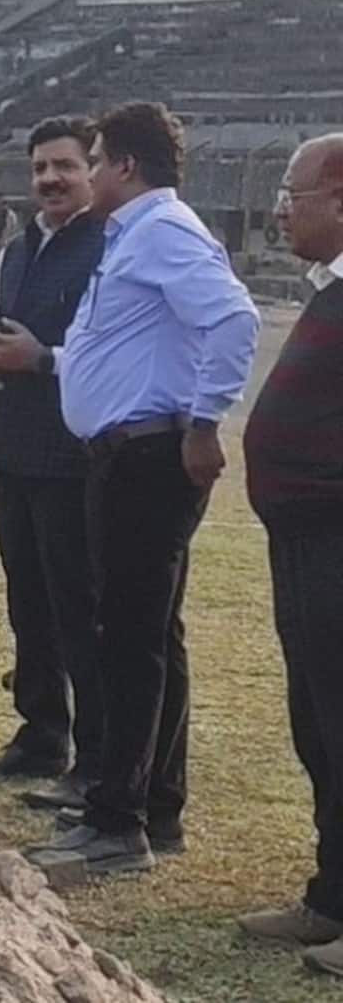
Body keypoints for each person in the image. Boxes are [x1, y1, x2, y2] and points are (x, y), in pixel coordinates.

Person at [19, 101, 259, 878]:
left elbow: (234, 318)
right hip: (128, 454)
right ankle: (156, 801)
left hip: (148, 457)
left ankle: (117, 822)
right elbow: (125, 346)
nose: (85, 173)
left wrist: (204, 422)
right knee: (151, 634)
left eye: (91, 160)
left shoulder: (162, 230)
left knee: (127, 640)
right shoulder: (134, 234)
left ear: (123, 164)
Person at [0, 117, 104, 784]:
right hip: (13, 451)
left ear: (93, 170)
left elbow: (111, 352)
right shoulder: (18, 247)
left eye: (64, 166)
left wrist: (44, 359)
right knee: (29, 604)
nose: (50, 178)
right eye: (41, 167)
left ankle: (98, 755)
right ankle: (41, 736)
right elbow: (2, 330)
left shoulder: (110, 247)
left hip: (74, 456)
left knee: (80, 608)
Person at [236, 134, 343, 972]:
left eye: (292, 192)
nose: (280, 209)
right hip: (305, 539)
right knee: (321, 724)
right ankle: (332, 895)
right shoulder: (329, 290)